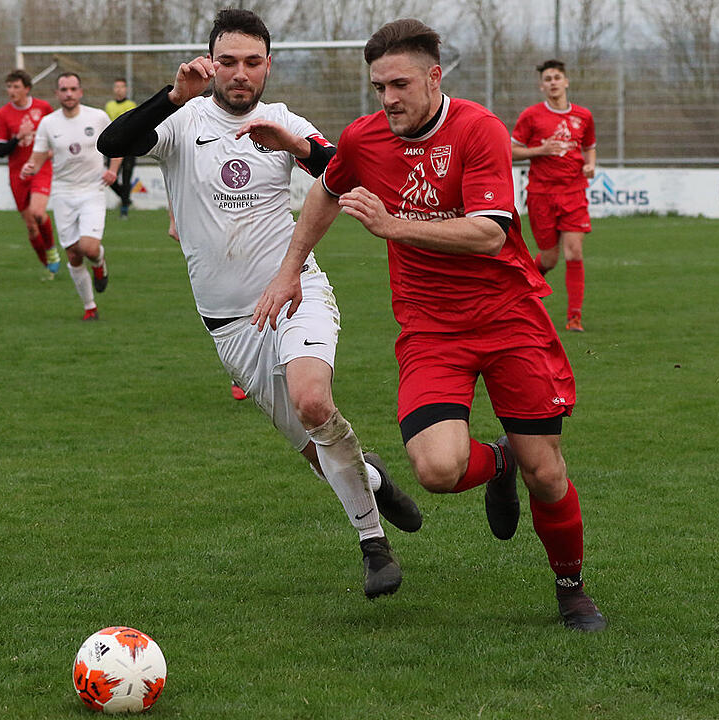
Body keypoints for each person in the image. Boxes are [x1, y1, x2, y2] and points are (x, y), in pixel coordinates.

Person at [253, 19, 606, 631]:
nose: (387, 98)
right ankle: (497, 463)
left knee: (546, 472)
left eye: (399, 84)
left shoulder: (478, 129)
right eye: (377, 86)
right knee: (438, 469)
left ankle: (571, 589)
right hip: (431, 330)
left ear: (433, 76)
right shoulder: (365, 139)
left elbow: (489, 231)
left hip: (507, 319)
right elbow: (326, 191)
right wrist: (289, 271)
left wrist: (394, 226)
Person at [98, 8, 422, 599]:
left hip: (295, 289)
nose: (240, 73)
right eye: (228, 61)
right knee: (319, 451)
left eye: (252, 62)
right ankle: (371, 477)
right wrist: (172, 95)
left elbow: (346, 176)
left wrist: (297, 145)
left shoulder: (283, 121)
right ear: (210, 62)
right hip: (229, 324)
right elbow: (112, 142)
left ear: (268, 65)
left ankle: (374, 547)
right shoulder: (181, 118)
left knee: (313, 402)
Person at [22, 72, 120, 321]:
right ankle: (90, 307)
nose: (68, 94)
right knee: (74, 254)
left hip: (92, 190)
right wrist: (30, 166)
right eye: (63, 89)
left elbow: (119, 143)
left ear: (80, 92)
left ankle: (99, 263)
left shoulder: (97, 117)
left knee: (88, 248)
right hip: (63, 193)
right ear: (57, 94)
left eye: (73, 89)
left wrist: (112, 170)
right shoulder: (48, 123)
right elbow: (39, 155)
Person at [511, 59, 596, 332]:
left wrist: (590, 163)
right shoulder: (531, 116)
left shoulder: (583, 115)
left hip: (574, 191)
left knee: (574, 252)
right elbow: (511, 151)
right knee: (549, 259)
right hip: (541, 194)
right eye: (547, 79)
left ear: (566, 81)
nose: (553, 82)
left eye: (557, 77)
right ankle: (520, 294)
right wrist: (540, 151)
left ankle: (574, 318)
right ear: (541, 86)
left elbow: (590, 145)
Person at [166, 205, 248, 401]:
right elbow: (172, 178)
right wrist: (173, 217)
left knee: (260, 284)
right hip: (209, 224)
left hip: (252, 219)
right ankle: (242, 366)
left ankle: (254, 364)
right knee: (228, 289)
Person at [0, 69, 61, 279]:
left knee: (38, 214)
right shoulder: (3, 114)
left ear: (27, 89)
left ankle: (51, 250)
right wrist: (18, 137)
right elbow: (0, 151)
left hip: (40, 167)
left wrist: (53, 150)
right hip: (17, 174)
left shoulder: (43, 108)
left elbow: (57, 135)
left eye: (16, 86)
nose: (11, 91)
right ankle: (48, 265)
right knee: (31, 227)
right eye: (9, 87)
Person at [104, 78, 138, 219]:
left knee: (126, 178)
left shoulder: (131, 105)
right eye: (116, 87)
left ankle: (124, 210)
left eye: (121, 87)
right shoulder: (109, 106)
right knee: (110, 178)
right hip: (114, 147)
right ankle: (126, 199)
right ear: (113, 89)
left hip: (129, 147)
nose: (119, 89)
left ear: (126, 89)